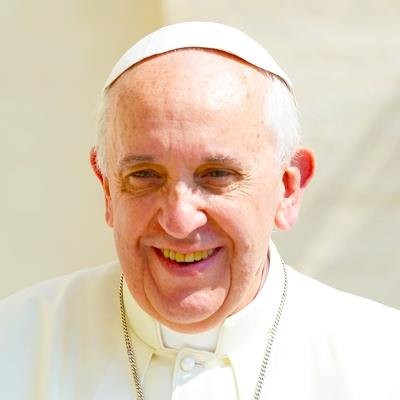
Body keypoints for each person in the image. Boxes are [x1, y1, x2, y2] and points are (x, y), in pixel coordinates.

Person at [0, 21, 399, 400]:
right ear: (107, 189)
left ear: (288, 189)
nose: (179, 220)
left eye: (217, 175)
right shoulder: (14, 346)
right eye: (144, 176)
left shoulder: (383, 362)